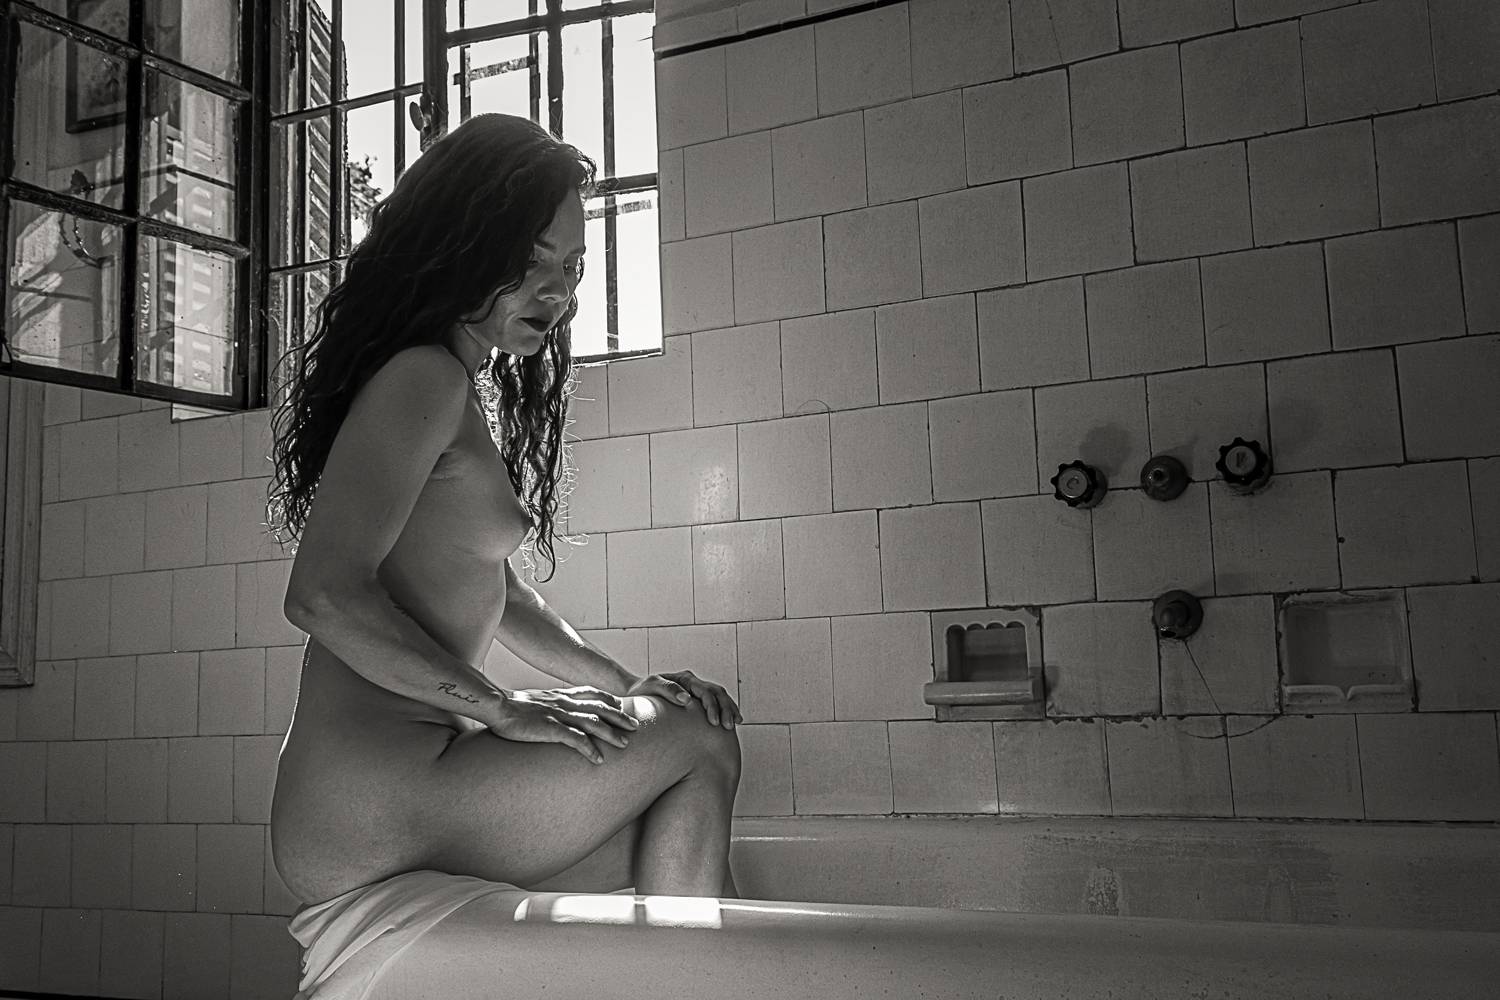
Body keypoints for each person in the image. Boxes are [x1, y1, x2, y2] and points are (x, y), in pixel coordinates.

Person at [265, 113, 743, 909]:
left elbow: (500, 593)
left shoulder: (451, 384)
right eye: (528, 261)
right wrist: (500, 708)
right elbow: (320, 595)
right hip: (369, 800)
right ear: (460, 246)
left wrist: (627, 684)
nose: (556, 291)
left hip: (396, 793)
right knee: (701, 740)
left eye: (572, 265)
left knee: (674, 808)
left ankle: (714, 971)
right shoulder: (424, 378)